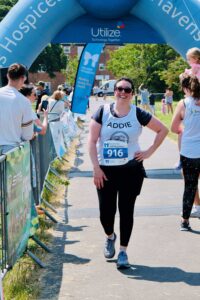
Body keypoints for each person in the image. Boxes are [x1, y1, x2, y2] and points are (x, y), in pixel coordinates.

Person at [88, 77, 168, 269]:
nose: (123, 93)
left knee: (126, 211)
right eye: (119, 89)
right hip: (106, 171)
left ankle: (123, 251)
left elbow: (162, 130)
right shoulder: (102, 112)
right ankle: (110, 236)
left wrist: (149, 152)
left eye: (127, 90)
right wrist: (96, 168)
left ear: (132, 94)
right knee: (105, 213)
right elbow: (92, 141)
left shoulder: (138, 113)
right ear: (114, 91)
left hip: (131, 170)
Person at [171, 74, 200, 231]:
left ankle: (185, 220)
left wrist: (185, 129)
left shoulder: (183, 104)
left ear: (185, 88)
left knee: (190, 186)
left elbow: (174, 128)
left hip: (189, 152)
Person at [0, 63, 33, 154]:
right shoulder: (24, 101)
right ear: (23, 78)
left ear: (7, 76)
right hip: (11, 151)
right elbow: (27, 135)